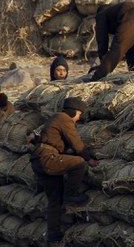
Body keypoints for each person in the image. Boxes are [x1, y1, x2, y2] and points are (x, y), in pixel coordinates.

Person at [30, 97, 98, 246]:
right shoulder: (64, 118)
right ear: (73, 111)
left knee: (54, 200)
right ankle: (71, 194)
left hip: (39, 160)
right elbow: (77, 144)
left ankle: (53, 235)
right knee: (79, 163)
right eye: (79, 114)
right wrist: (89, 159)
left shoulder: (54, 118)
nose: (79, 118)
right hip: (48, 158)